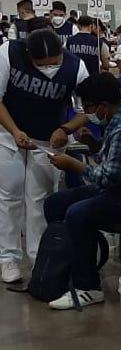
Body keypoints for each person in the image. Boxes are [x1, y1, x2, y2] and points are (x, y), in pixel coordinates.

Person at [43, 73, 121, 309]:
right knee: (55, 203)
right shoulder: (118, 118)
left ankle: (88, 287)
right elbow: (112, 162)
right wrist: (94, 144)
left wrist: (74, 164)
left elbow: (108, 177)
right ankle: (68, 266)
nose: (86, 112)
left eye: (88, 107)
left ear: (102, 106)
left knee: (77, 213)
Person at [0, 29, 90, 283]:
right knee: (10, 195)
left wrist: (66, 129)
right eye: (42, 64)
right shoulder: (8, 53)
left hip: (48, 139)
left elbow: (86, 110)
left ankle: (40, 257)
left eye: (54, 63)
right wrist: (15, 130)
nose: (50, 68)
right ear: (30, 57)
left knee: (39, 199)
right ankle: (8, 258)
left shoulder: (75, 66)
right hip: (8, 135)